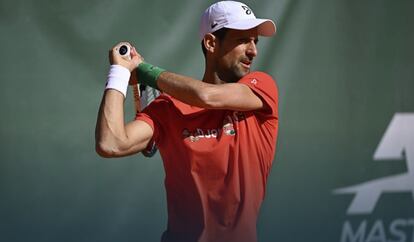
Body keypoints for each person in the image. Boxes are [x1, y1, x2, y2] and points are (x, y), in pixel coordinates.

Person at [95, 1, 278, 241]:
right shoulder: (168, 109)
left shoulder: (261, 88)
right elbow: (110, 143)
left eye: (255, 41)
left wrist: (144, 71)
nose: (253, 50)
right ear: (211, 43)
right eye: (243, 40)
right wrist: (120, 73)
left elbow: (207, 96)